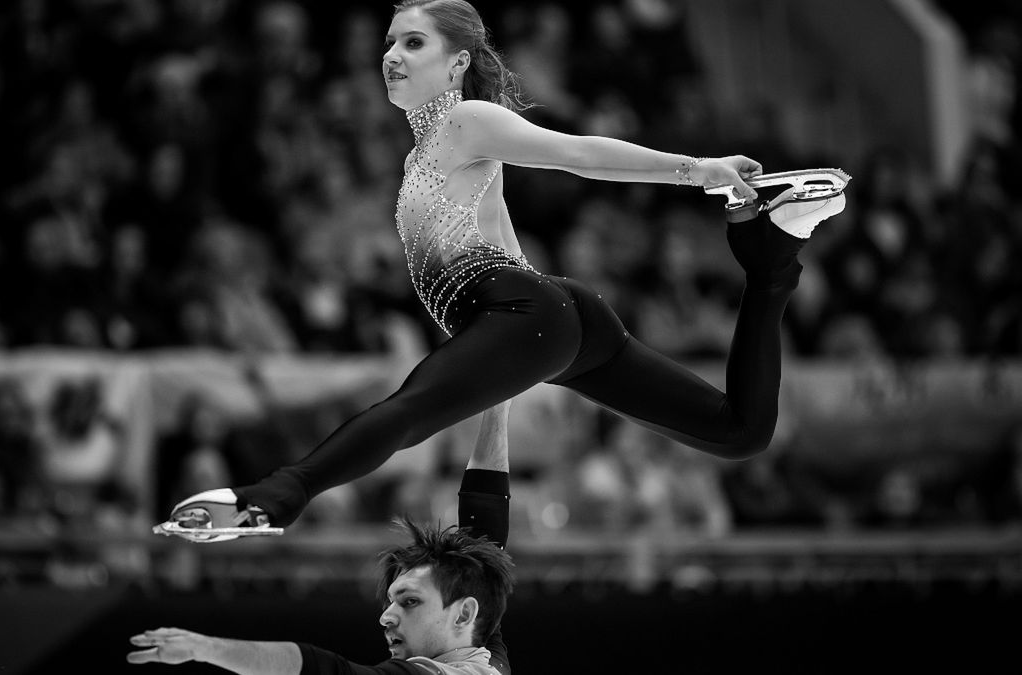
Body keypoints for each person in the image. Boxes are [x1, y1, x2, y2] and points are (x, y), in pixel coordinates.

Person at [170, 0, 848, 531]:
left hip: (529, 314)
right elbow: (507, 273)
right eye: (388, 43)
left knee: (406, 412)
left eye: (413, 42)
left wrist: (702, 170)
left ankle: (270, 498)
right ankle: (772, 257)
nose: (391, 56)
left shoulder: (466, 120)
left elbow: (577, 153)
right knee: (740, 432)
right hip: (546, 318)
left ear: (459, 62)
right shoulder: (424, 159)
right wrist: (487, 459)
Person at [129, 402, 517, 674]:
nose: (386, 616)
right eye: (393, 600)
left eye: (410, 601)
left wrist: (206, 648)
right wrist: (501, 396)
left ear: (463, 614)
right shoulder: (482, 652)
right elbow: (485, 522)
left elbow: (324, 670)